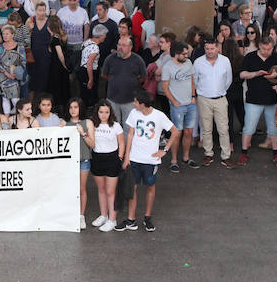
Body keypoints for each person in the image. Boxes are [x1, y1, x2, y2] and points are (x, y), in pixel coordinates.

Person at [120, 90, 178, 232]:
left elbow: (175, 131)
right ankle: (131, 219)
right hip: (134, 158)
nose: (134, 104)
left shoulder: (159, 116)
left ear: (142, 104)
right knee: (132, 188)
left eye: (135, 102)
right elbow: (131, 134)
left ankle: (147, 217)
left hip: (151, 160)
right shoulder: (134, 113)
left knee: (150, 187)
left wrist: (164, 150)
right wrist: (127, 156)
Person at [238, 37, 277, 166]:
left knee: (273, 129)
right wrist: (255, 74)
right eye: (264, 49)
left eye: (269, 49)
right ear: (259, 46)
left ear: (273, 47)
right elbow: (242, 74)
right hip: (253, 99)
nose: (266, 51)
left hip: (272, 99)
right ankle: (244, 153)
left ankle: (276, 154)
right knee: (248, 128)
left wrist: (276, 75)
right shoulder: (250, 57)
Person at [191, 39, 236, 168]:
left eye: (212, 48)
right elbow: (195, 80)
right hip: (204, 99)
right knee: (206, 128)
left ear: (217, 48)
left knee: (223, 129)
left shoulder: (225, 61)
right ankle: (208, 153)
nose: (209, 51)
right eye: (207, 49)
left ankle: (226, 156)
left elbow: (228, 80)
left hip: (221, 98)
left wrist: (219, 91)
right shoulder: (198, 62)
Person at [83, 100, 125, 232]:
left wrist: (119, 157)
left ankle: (112, 220)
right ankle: (103, 215)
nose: (104, 115)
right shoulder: (93, 125)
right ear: (97, 112)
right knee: (101, 190)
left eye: (106, 112)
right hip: (97, 158)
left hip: (112, 158)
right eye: (101, 112)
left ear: (110, 112)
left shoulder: (116, 126)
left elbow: (122, 143)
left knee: (111, 191)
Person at [160, 41, 200, 172]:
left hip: (190, 104)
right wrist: (174, 102)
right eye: (184, 54)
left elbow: (192, 80)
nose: (186, 56)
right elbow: (165, 87)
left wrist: (193, 96)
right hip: (177, 106)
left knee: (189, 131)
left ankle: (186, 157)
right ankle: (174, 160)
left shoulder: (188, 63)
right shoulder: (168, 67)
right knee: (177, 133)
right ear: (176, 54)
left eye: (187, 53)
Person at [100, 37, 146, 126]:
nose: (120, 47)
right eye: (119, 45)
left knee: (129, 127)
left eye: (123, 45)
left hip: (130, 101)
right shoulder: (110, 59)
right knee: (112, 126)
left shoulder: (138, 60)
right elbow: (104, 75)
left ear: (130, 47)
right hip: (112, 100)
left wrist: (132, 82)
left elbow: (143, 77)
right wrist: (115, 81)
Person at [64, 98, 93, 229]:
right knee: (69, 188)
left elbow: (92, 144)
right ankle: (70, 214)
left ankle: (81, 216)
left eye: (75, 107)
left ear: (80, 108)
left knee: (81, 188)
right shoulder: (65, 124)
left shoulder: (87, 123)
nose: (73, 110)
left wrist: (83, 133)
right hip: (69, 161)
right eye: (71, 107)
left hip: (84, 159)